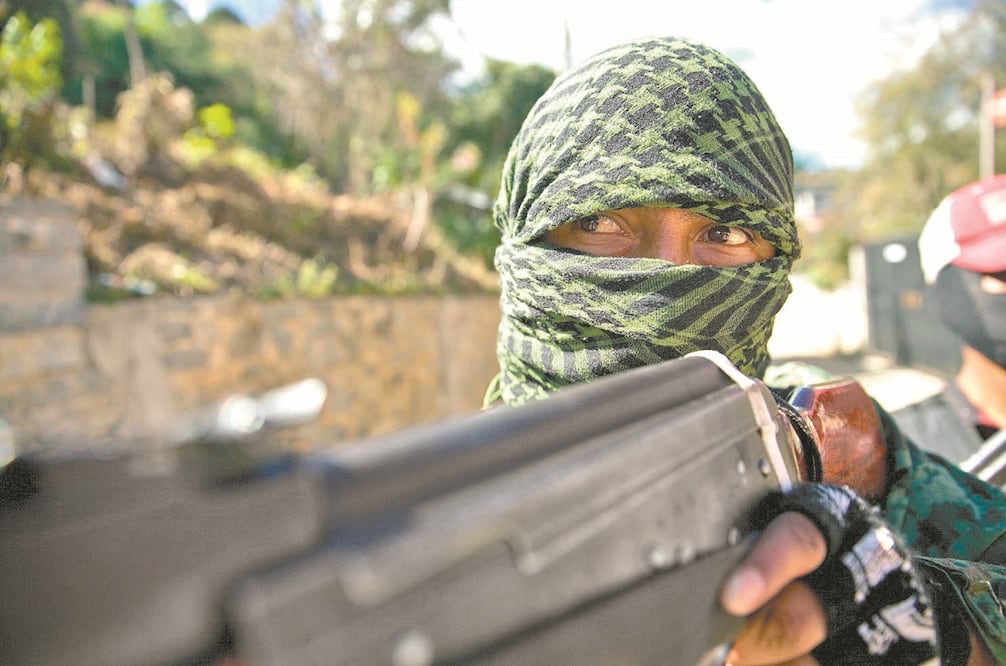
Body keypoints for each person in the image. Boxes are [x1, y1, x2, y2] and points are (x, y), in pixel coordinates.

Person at [483, 36, 1006, 665]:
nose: (663, 279)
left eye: (724, 232)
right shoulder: (448, 509)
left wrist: (948, 628)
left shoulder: (815, 430)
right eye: (599, 223)